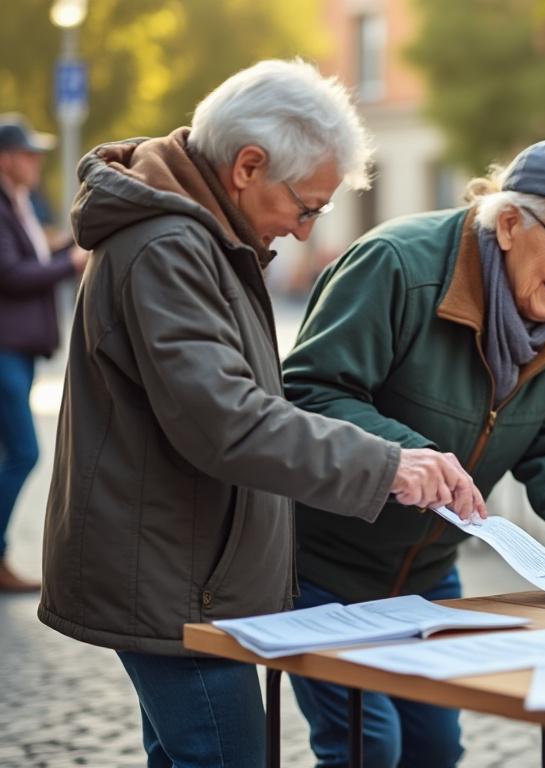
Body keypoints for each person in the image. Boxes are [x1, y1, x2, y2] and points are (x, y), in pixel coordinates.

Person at [39, 59, 482, 767]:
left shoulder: (202, 235)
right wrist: (388, 464)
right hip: (166, 570)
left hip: (182, 564)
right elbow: (229, 420)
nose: (306, 231)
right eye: (306, 206)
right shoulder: (169, 245)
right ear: (248, 166)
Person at [281, 137, 545, 767]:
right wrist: (407, 453)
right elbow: (308, 392)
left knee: (434, 751)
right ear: (508, 223)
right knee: (368, 746)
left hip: (426, 575)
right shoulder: (396, 263)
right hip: (320, 564)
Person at [0, 113, 87, 592]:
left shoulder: (23, 203)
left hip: (20, 350)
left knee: (12, 453)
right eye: (28, 153)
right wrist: (71, 262)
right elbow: (11, 274)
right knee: (24, 453)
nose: (36, 162)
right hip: (5, 349)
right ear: (6, 158)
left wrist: (60, 254)